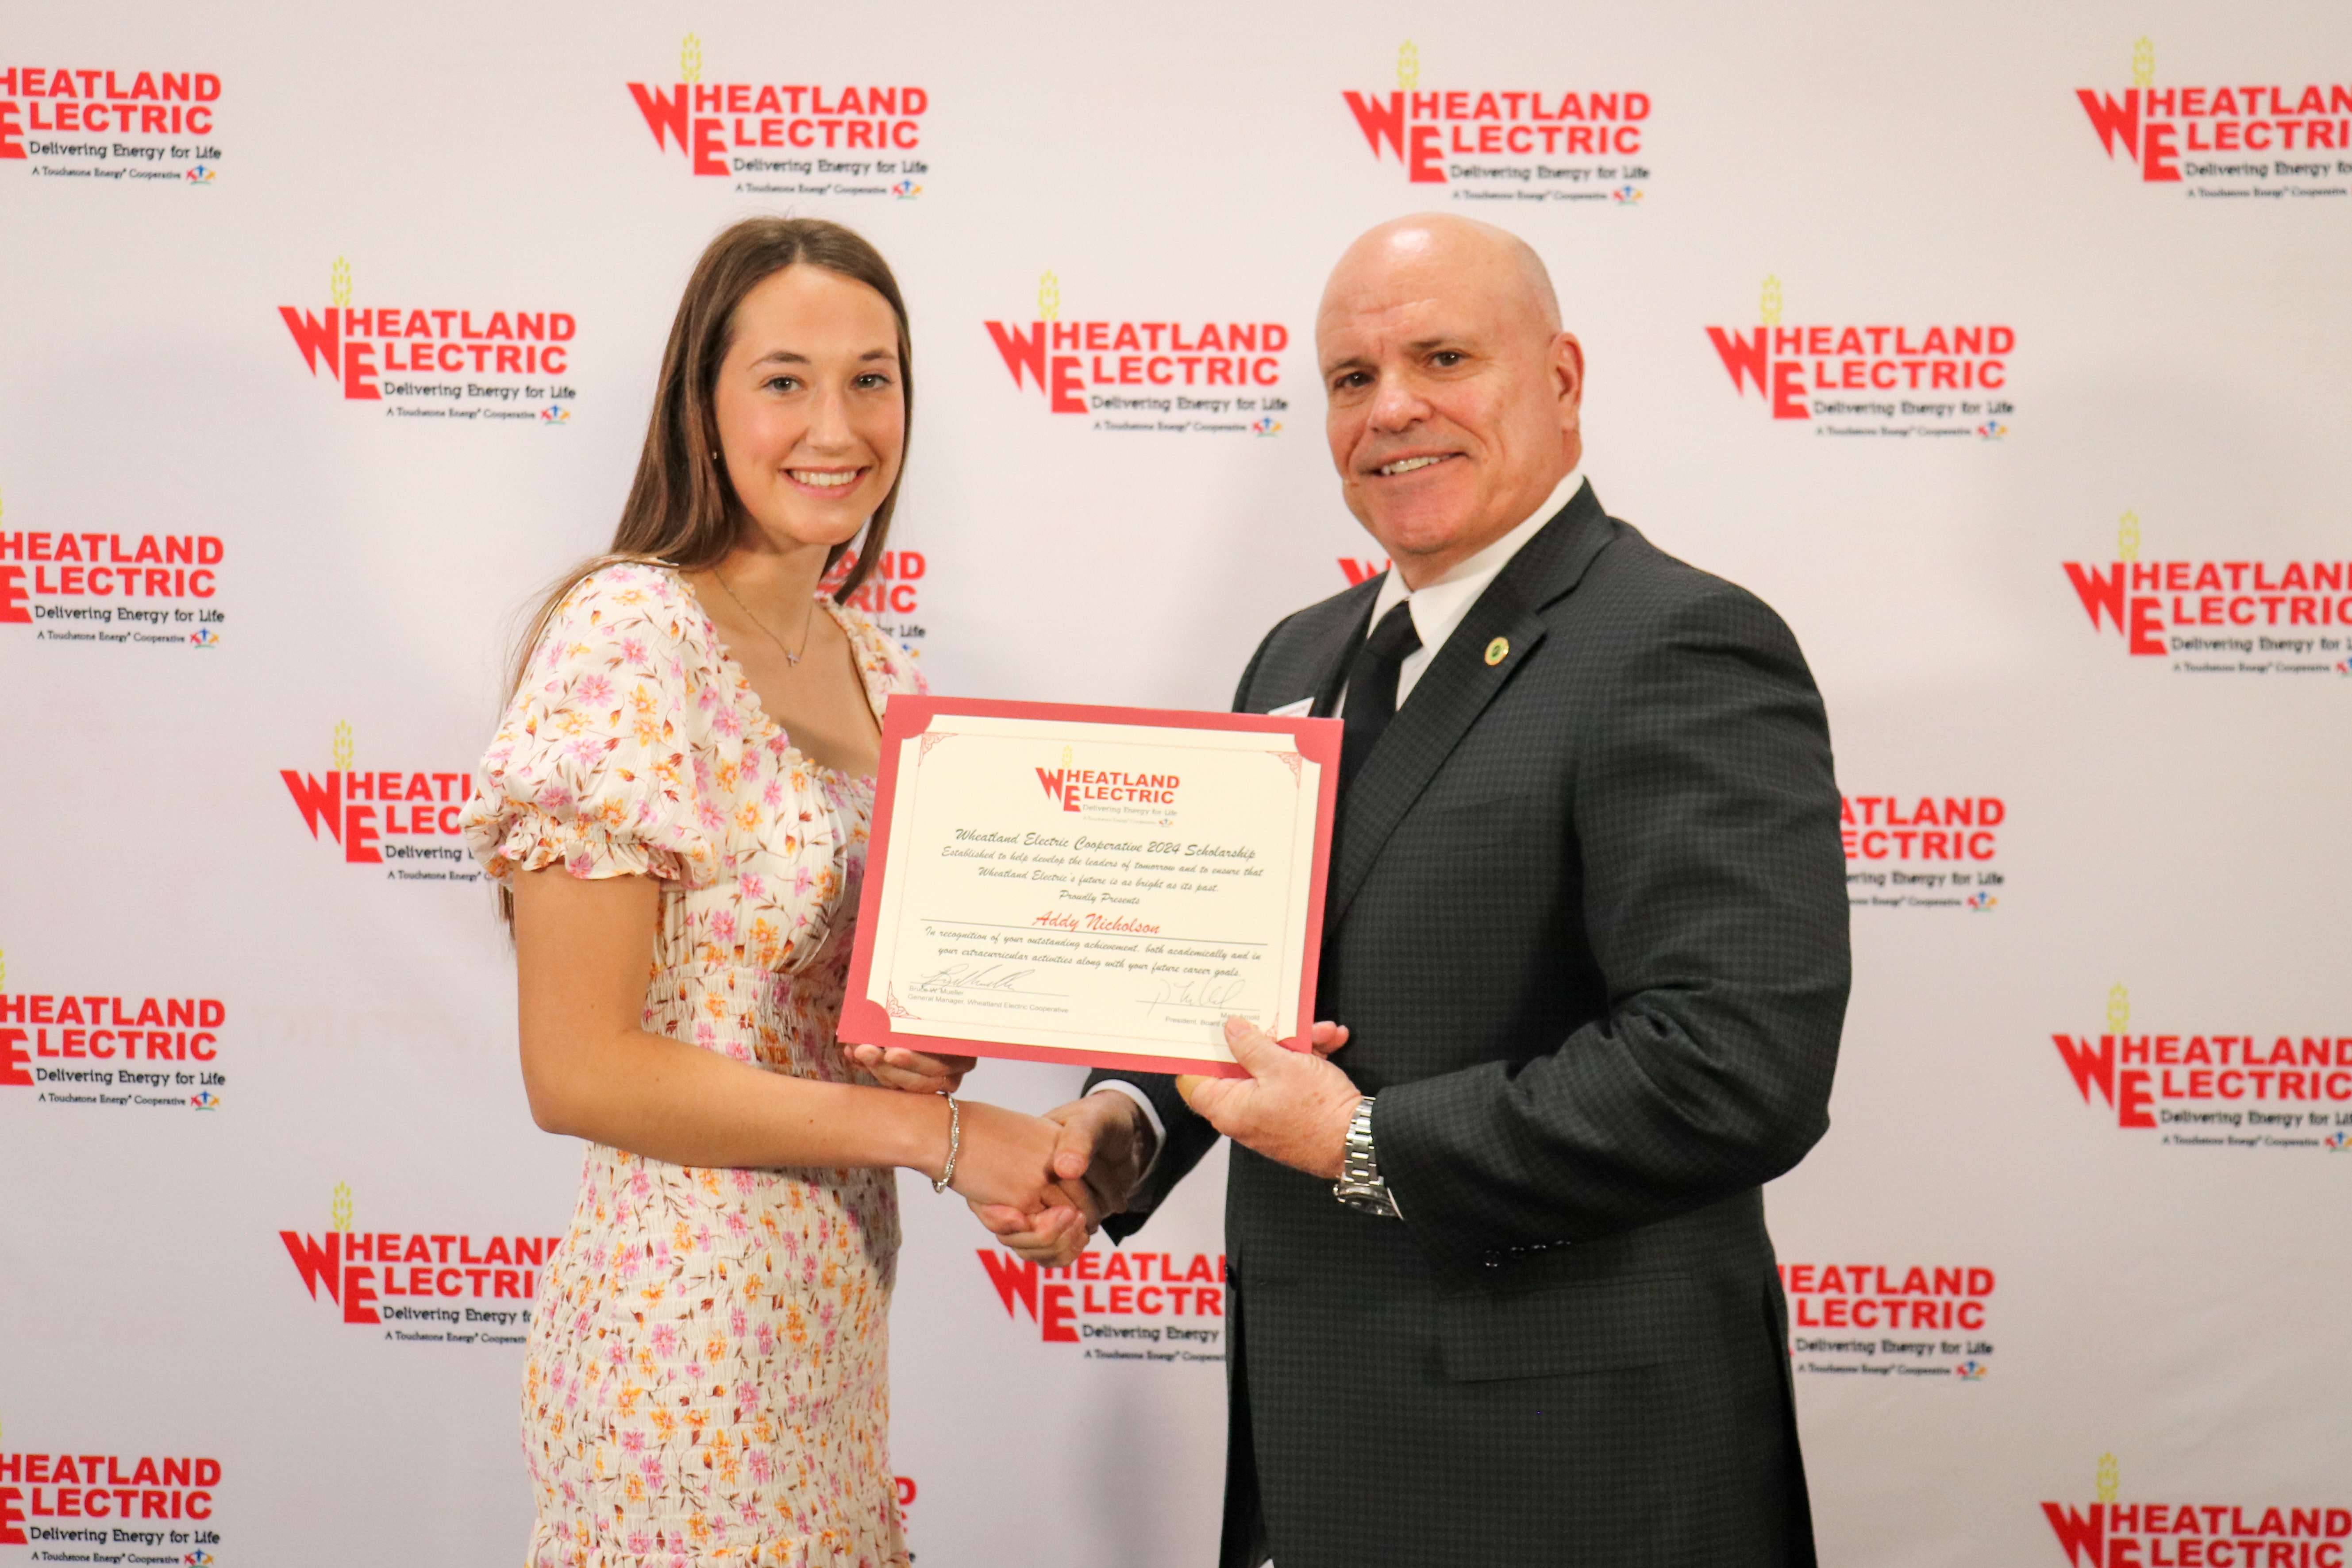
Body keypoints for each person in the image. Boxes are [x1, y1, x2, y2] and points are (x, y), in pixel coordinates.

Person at [972, 213, 1851, 1566]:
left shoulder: (1676, 641)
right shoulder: (1302, 650)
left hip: (1576, 1478)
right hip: (1322, 1450)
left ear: (1560, 379)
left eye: (1442, 358)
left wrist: (1365, 1141)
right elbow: (1245, 992)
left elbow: (1735, 1065)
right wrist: (1121, 1130)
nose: (1392, 410)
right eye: (1349, 379)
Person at [461, 216, 1077, 1568]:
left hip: (831, 1314)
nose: (837, 424)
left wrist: (918, 1059)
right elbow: (576, 1070)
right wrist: (949, 1141)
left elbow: (834, 1025)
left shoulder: (880, 662)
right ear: (703, 404)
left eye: (873, 377)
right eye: (785, 379)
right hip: (677, 1335)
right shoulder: (630, 634)